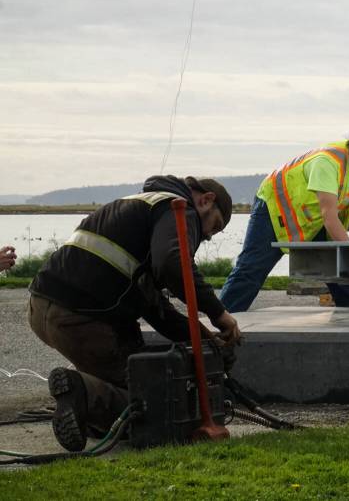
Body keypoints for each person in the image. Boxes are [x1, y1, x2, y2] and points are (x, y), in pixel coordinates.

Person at [28, 175, 241, 451]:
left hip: (43, 307)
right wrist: (219, 313)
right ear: (206, 200)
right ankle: (83, 393)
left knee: (129, 373)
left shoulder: (142, 206)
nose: (210, 235)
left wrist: (204, 338)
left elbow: (155, 308)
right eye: (216, 225)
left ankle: (89, 411)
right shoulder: (180, 209)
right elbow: (174, 265)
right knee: (154, 398)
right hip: (82, 318)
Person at [219, 112, 349, 313]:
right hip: (275, 209)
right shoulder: (327, 162)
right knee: (251, 271)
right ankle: (219, 325)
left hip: (316, 219)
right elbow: (329, 216)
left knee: (342, 272)